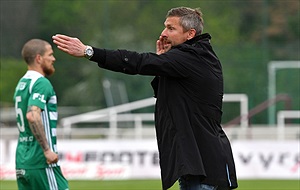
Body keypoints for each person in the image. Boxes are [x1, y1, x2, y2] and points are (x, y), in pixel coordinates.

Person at [52, 6, 238, 190]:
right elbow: (170, 96)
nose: (163, 33)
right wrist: (162, 61)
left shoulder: (189, 58)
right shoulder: (198, 55)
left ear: (190, 34)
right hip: (207, 163)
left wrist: (89, 52)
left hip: (204, 168)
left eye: (171, 28)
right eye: (165, 26)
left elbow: (138, 62)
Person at [13, 39, 69, 190]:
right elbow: (33, 115)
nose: (53, 59)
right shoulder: (41, 83)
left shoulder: (21, 84)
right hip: (41, 162)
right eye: (50, 55)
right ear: (39, 58)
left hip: (22, 160)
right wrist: (47, 150)